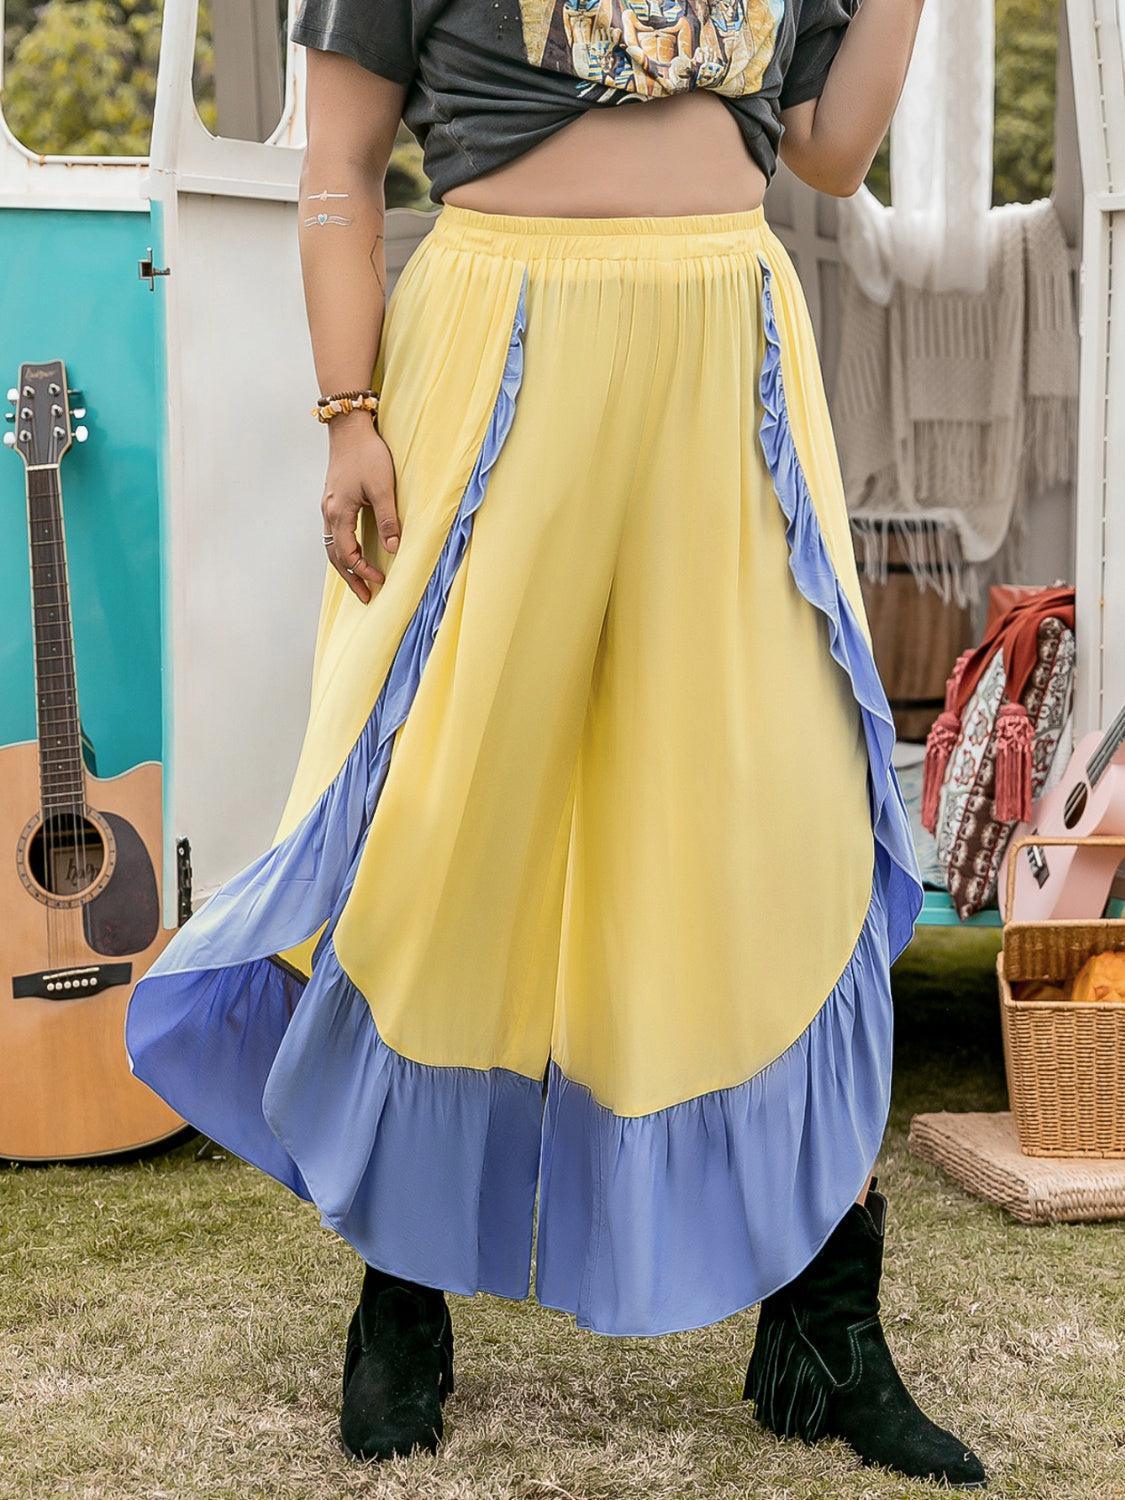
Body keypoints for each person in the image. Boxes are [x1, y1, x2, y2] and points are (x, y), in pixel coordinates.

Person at [124, 0, 987, 1487]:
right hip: (500, 351)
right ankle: (399, 1289)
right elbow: (339, 159)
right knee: (445, 815)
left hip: (726, 362)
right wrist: (347, 410)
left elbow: (830, 153)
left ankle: (824, 1319)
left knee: (780, 815)